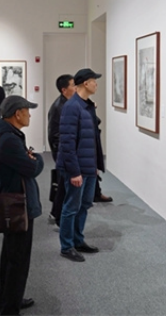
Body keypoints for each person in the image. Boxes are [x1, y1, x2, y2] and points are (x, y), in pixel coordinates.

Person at [0, 96, 44, 316]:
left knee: (11, 256)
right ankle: (9, 308)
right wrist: (37, 158)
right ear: (17, 114)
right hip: (18, 205)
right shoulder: (9, 140)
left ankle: (7, 299)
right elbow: (32, 168)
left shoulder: (4, 134)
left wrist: (29, 158)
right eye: (27, 110)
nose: (30, 115)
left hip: (13, 201)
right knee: (17, 260)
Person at [47, 75, 112, 227]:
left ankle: (70, 229)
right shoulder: (64, 107)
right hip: (70, 156)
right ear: (64, 90)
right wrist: (65, 161)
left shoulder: (79, 105)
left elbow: (91, 128)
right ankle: (60, 221)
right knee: (68, 196)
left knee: (80, 200)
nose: (75, 87)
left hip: (82, 156)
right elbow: (60, 137)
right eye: (72, 85)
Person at [57, 68, 105, 262]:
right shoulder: (72, 107)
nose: (96, 84)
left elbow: (92, 139)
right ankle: (66, 246)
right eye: (94, 81)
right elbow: (67, 143)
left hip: (88, 165)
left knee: (84, 204)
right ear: (85, 83)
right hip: (76, 168)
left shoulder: (87, 106)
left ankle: (78, 240)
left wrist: (95, 164)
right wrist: (75, 171)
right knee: (71, 206)